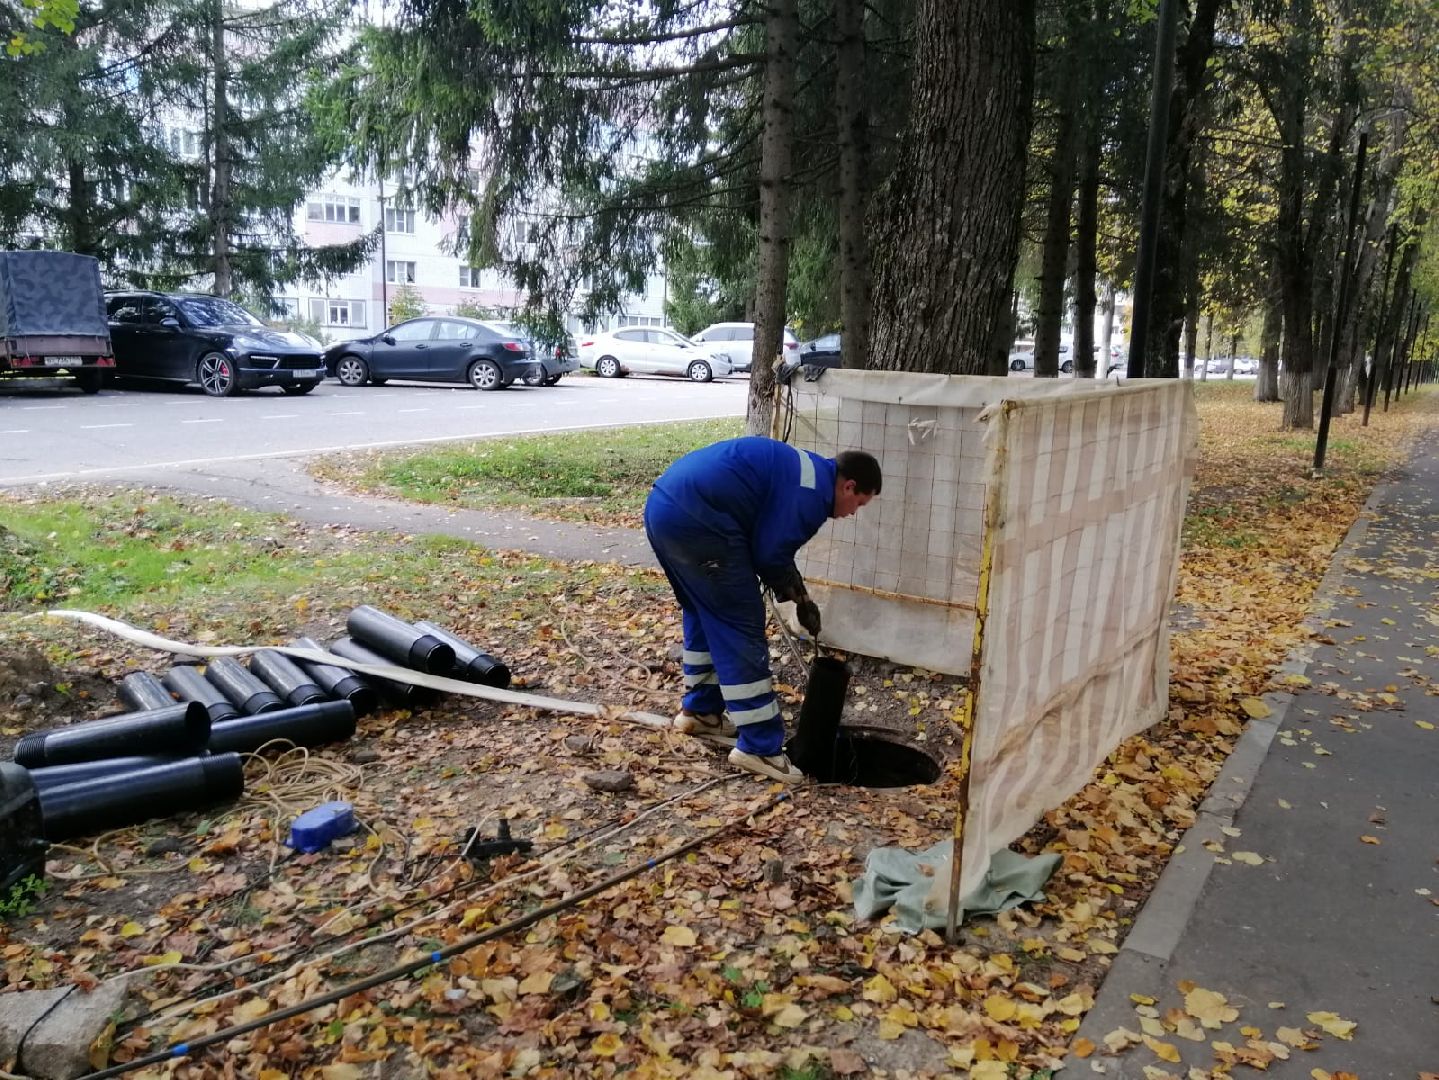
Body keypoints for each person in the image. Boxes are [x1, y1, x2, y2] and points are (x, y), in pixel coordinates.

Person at [643, 436, 882, 782]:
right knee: (740, 623)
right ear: (848, 486)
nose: (851, 514)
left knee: (703, 609)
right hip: (699, 519)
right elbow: (770, 554)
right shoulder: (813, 496)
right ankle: (760, 747)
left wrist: (799, 597)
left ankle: (701, 711)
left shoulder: (808, 472)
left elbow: (770, 545)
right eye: (858, 503)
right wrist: (798, 596)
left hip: (665, 506)